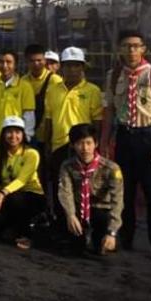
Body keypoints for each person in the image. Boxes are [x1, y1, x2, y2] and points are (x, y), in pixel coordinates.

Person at [100, 30, 151, 260]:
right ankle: (124, 237)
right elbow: (109, 111)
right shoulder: (114, 76)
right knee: (124, 193)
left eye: (135, 46)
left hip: (148, 137)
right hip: (125, 137)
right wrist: (104, 141)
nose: (131, 50)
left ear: (143, 48)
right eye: (126, 46)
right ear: (119, 49)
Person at [42, 47, 102, 225]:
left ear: (83, 67)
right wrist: (47, 144)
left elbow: (97, 121)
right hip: (59, 145)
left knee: (83, 188)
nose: (72, 70)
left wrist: (95, 146)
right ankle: (62, 226)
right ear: (62, 67)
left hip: (83, 148)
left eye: (76, 65)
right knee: (60, 188)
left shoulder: (93, 91)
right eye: (68, 65)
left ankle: (84, 226)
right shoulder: (53, 90)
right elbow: (49, 119)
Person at [60, 123, 124, 256]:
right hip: (78, 211)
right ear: (72, 145)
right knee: (74, 249)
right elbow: (65, 192)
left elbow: (117, 201)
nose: (85, 148)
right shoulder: (67, 166)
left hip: (101, 211)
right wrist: (70, 215)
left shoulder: (111, 168)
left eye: (89, 143)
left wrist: (112, 232)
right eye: (80, 143)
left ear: (96, 144)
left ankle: (102, 238)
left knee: (104, 249)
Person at [0, 116, 43, 250]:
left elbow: (22, 180)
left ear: (23, 134)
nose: (13, 136)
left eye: (17, 132)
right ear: (3, 134)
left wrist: (2, 194)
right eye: (9, 132)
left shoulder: (31, 153)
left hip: (30, 194)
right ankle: (10, 228)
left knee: (16, 199)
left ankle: (26, 234)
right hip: (5, 195)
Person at [0, 50, 35, 143]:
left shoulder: (25, 86)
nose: (4, 66)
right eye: (1, 62)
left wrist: (27, 137)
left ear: (15, 65)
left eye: (9, 62)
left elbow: (29, 116)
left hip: (16, 138)